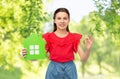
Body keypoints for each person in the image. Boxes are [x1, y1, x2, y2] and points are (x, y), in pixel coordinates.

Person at [22, 8, 93, 79]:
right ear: (54, 21)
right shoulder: (48, 37)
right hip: (53, 69)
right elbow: (36, 58)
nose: (62, 21)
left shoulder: (73, 38)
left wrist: (88, 49)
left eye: (65, 18)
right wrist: (27, 55)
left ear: (68, 20)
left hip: (70, 69)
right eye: (59, 18)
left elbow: (83, 58)